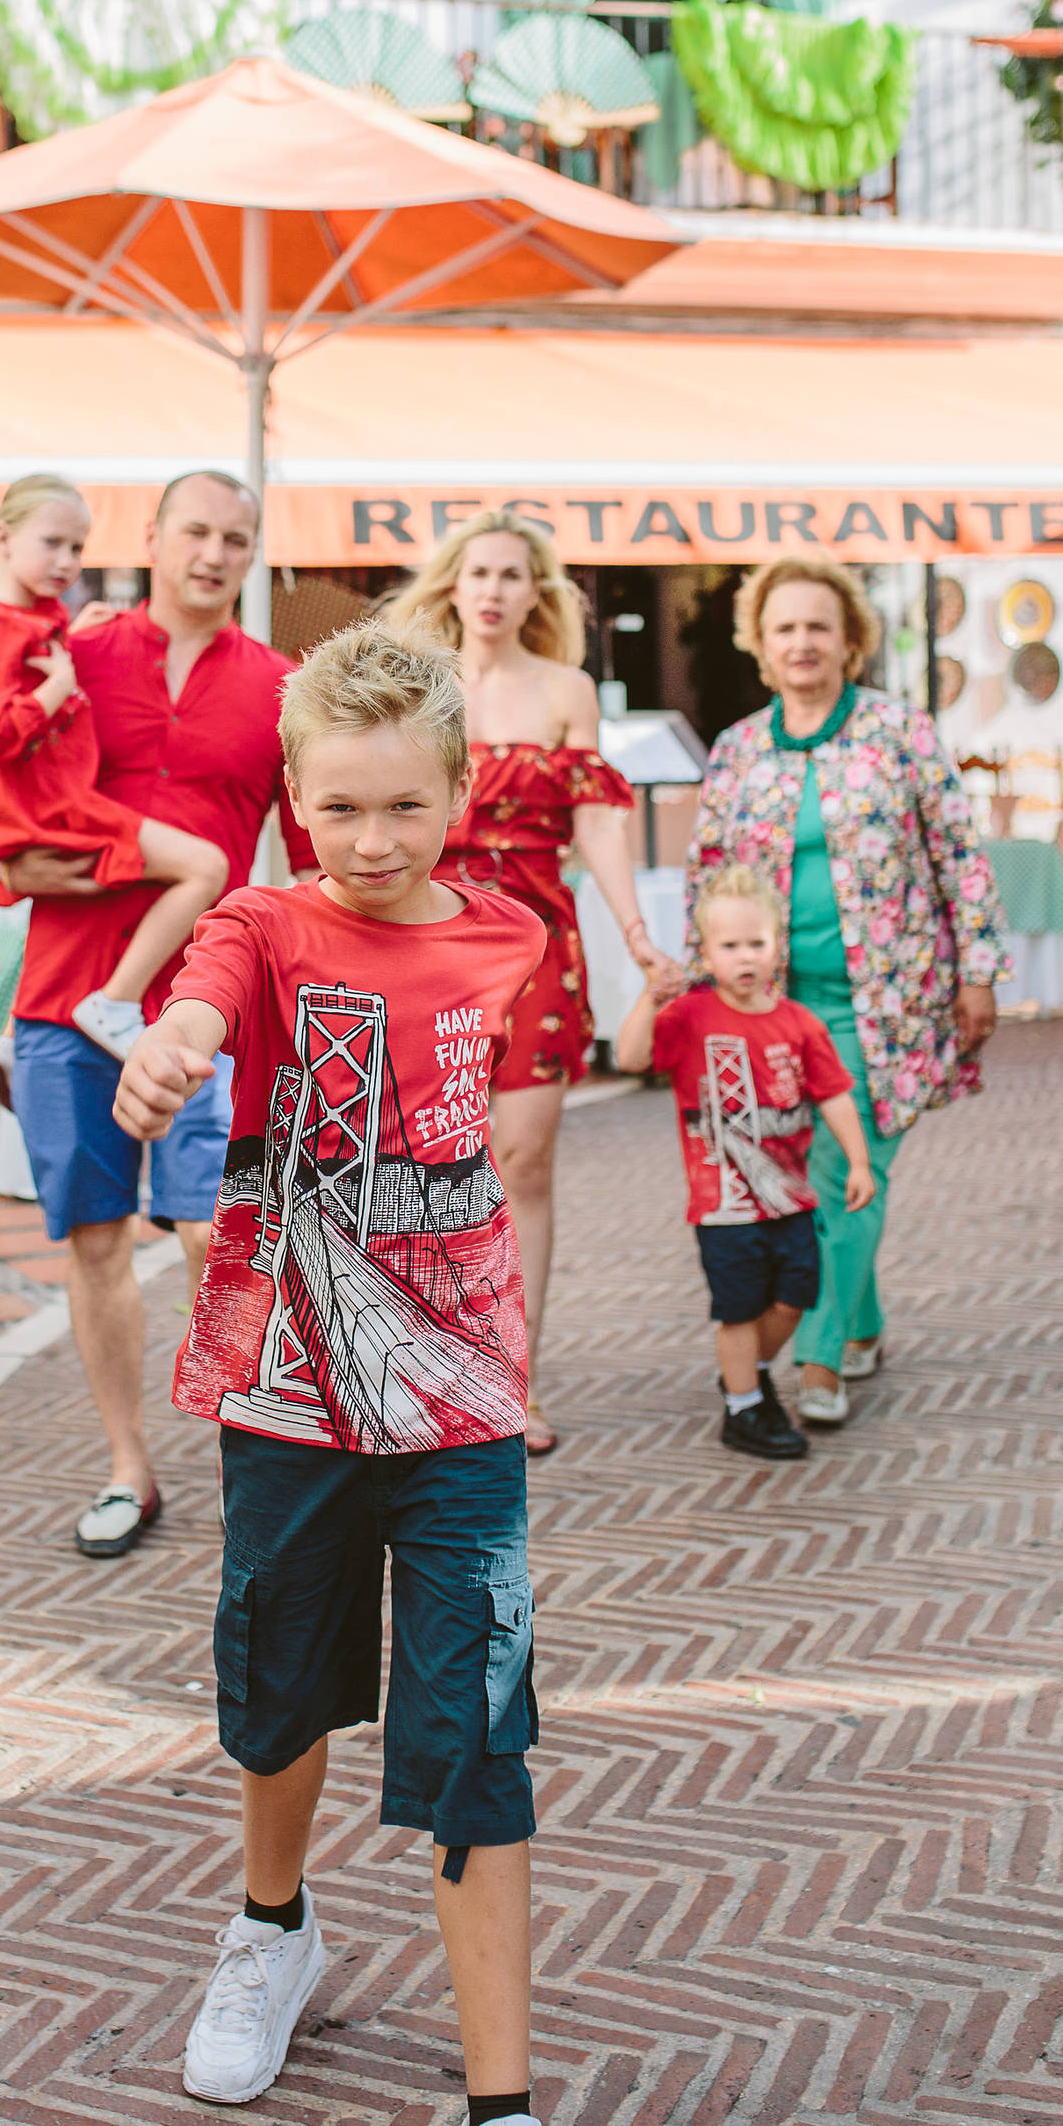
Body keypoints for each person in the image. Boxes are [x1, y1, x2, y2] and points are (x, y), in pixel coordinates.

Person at [113, 623, 606, 2126]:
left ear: (463, 791)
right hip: (288, 1387)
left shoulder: (509, 930)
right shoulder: (261, 917)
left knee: (477, 1733)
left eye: (406, 804)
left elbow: (493, 1137)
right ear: (295, 800)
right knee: (281, 1684)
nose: (374, 839)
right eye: (339, 807)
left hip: (462, 1397)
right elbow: (204, 996)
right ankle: (274, 1928)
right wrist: (172, 1050)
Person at [0, 469, 313, 1561]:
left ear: (253, 557)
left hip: (210, 1003)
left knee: (218, 1229)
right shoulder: (75, 650)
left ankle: (249, 1455)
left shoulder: (279, 686)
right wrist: (4, 858)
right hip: (66, 995)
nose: (214, 553)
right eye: (196, 531)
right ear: (153, 536)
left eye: (237, 539)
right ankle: (128, 1466)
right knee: (98, 1239)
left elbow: (311, 859)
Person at [688, 558, 1005, 1428]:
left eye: (817, 626)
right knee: (796, 1173)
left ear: (850, 639)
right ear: (760, 642)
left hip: (888, 1006)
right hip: (772, 1011)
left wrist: (977, 970)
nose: (802, 642)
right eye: (783, 626)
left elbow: (960, 858)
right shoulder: (739, 750)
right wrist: (695, 993)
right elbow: (707, 879)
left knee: (845, 1169)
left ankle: (820, 1356)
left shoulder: (901, 734)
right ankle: (861, 1319)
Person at [389, 510, 681, 1454]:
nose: (494, 589)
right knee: (420, 1162)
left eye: (514, 575)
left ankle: (513, 1378)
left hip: (537, 943)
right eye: (479, 571)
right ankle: (423, 1364)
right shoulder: (410, 678)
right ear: (453, 581)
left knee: (525, 1162)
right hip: (421, 940)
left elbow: (597, 823)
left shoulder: (567, 689)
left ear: (535, 592)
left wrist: (638, 933)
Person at [0, 473, 227, 1062]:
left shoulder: (31, 618)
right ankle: (113, 1002)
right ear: (2, 537)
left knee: (152, 878)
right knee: (204, 867)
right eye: (53, 544)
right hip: (50, 805)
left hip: (49, 801)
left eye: (77, 548)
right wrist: (60, 685)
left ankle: (17, 1035)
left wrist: (75, 640)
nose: (66, 561)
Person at [617, 862, 875, 1460]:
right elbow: (632, 1058)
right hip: (723, 1205)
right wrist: (649, 999)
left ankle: (747, 1373)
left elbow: (834, 1093)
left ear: (778, 946)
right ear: (705, 951)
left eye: (756, 943)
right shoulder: (690, 1017)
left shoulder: (799, 1023)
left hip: (789, 1196)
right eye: (729, 946)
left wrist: (859, 1163)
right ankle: (744, 1410)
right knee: (737, 1310)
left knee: (794, 1299)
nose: (745, 957)